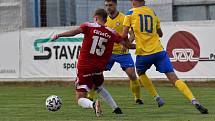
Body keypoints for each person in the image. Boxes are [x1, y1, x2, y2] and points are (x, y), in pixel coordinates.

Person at [122, 0, 208, 114]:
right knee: (174, 78)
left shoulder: (129, 13)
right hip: (159, 52)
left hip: (143, 54)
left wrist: (128, 44)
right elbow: (160, 33)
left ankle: (156, 97)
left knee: (140, 72)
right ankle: (193, 100)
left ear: (133, 1)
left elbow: (123, 36)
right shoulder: (152, 12)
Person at [52, 8, 126, 117]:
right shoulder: (111, 32)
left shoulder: (89, 26)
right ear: (106, 20)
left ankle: (93, 104)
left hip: (85, 66)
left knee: (79, 98)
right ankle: (116, 108)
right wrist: (132, 45)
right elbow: (125, 41)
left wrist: (59, 35)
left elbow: (74, 32)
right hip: (99, 67)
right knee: (99, 87)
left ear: (96, 18)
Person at [88, 0, 144, 105]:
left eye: (110, 5)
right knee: (95, 73)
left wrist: (127, 44)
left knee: (132, 74)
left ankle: (137, 98)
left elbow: (133, 34)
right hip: (107, 53)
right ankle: (90, 97)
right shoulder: (103, 20)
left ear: (116, 5)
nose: (108, 7)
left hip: (123, 53)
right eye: (106, 5)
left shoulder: (124, 18)